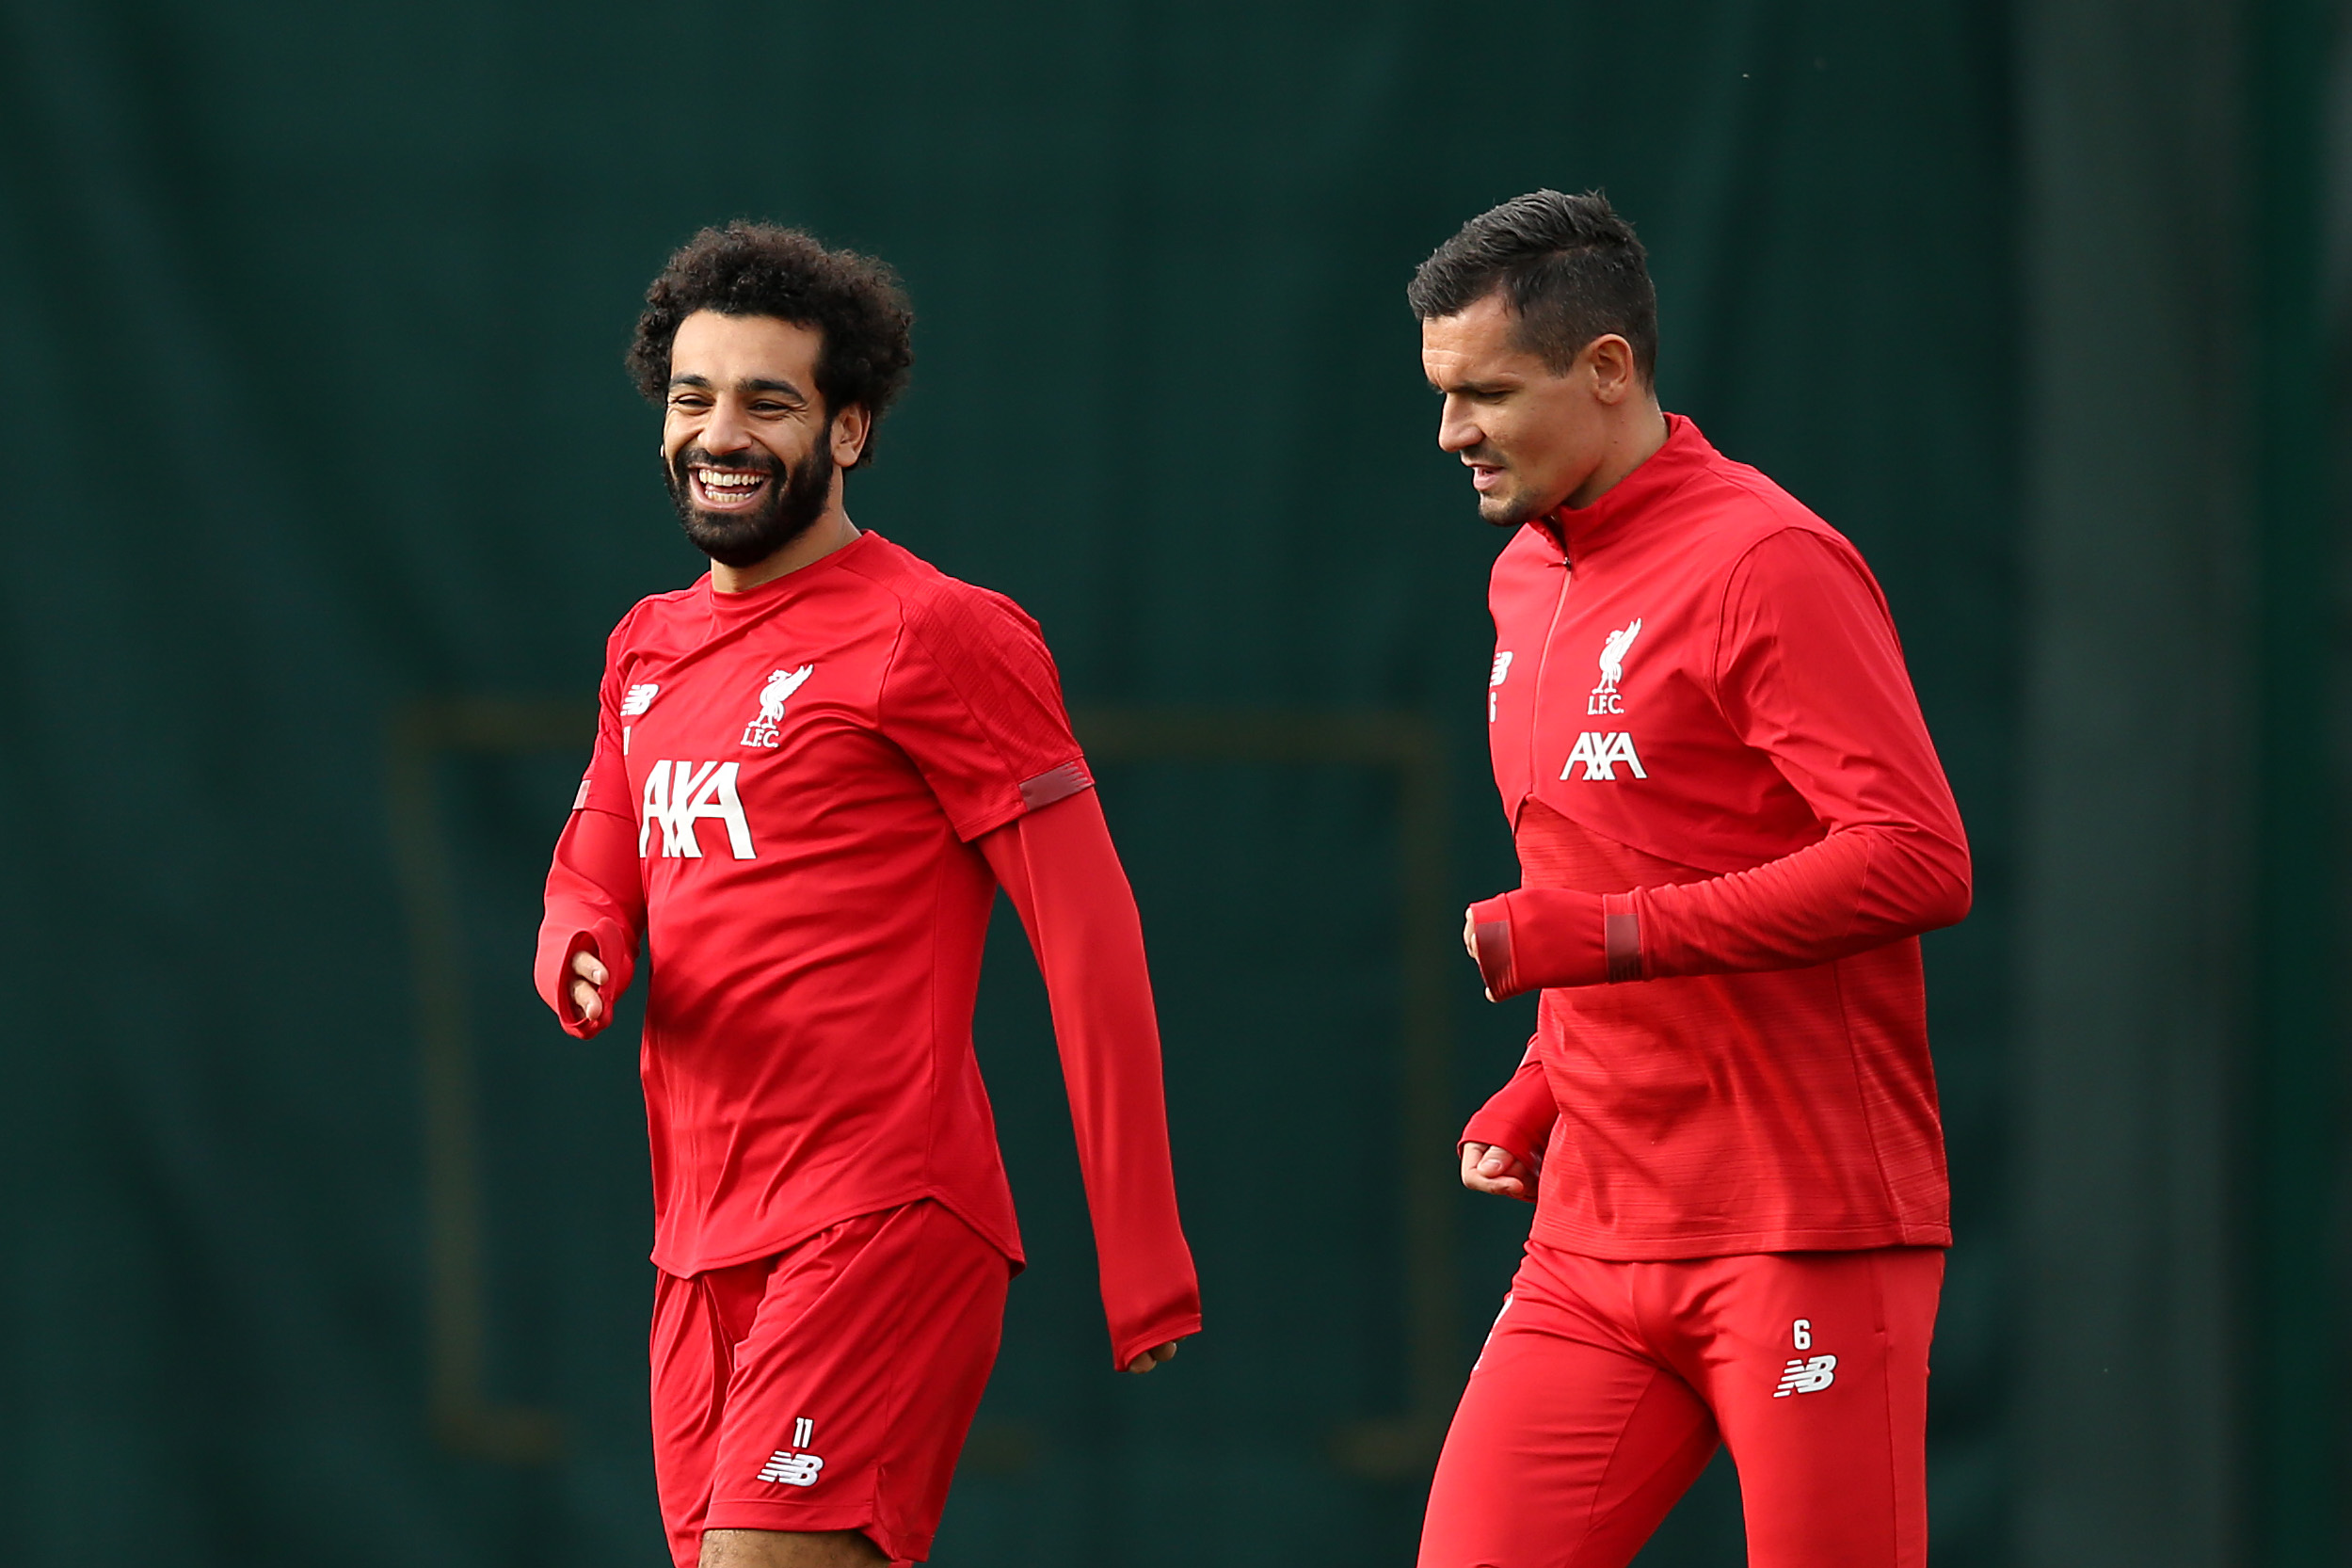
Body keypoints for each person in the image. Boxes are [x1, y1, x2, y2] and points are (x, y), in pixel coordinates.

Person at [536, 222, 1199, 1568]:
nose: (721, 432)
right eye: (693, 397)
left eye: (767, 402)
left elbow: (1091, 936)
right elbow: (594, 857)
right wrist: (580, 941)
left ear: (848, 431)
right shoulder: (647, 648)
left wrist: (1145, 1258)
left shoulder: (939, 633)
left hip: (883, 1216)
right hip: (697, 1249)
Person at [1410, 190, 1971, 1568]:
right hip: (1595, 1235)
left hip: (1804, 1222)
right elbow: (1631, 858)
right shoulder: (1523, 581)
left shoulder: (1766, 559)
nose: (1451, 433)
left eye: (1487, 391)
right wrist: (1545, 1081)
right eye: (1440, 393)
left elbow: (1916, 857)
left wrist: (1597, 941)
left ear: (1607, 370)